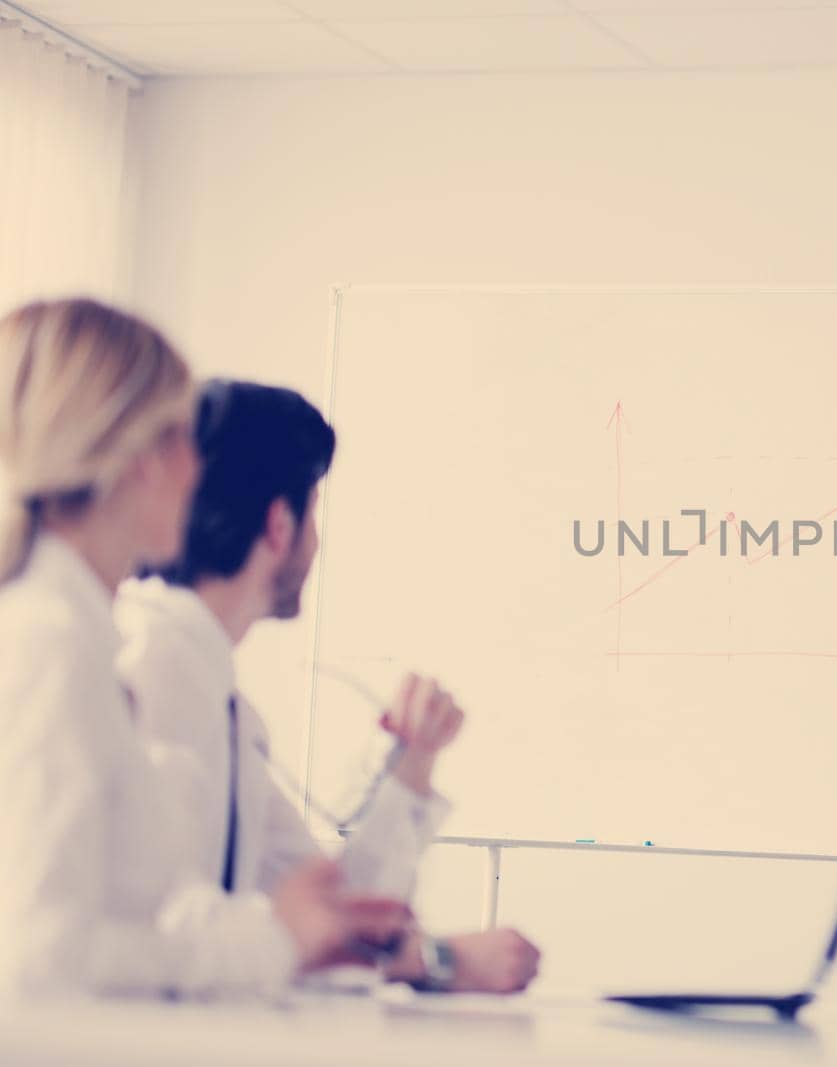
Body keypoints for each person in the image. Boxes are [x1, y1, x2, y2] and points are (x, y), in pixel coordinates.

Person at [0, 298, 409, 999]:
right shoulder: (56, 648)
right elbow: (36, 956)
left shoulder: (89, 647)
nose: (197, 470)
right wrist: (270, 941)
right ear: (129, 456)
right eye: (179, 436)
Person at [116, 379, 540, 994]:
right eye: (315, 511)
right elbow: (175, 937)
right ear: (280, 524)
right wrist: (433, 960)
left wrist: (414, 761)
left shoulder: (214, 694)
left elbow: (341, 914)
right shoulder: (154, 669)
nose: (318, 541)